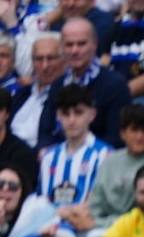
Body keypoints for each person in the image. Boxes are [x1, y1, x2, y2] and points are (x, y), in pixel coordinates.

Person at [35, 18, 132, 149]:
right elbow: (45, 131)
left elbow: (116, 138)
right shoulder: (57, 84)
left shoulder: (115, 85)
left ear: (94, 45)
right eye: (69, 45)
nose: (75, 50)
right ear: (62, 48)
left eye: (81, 44)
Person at [71, 105, 144, 235]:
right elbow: (95, 206)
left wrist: (98, 224)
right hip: (105, 227)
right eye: (134, 130)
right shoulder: (110, 162)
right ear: (122, 133)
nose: (139, 136)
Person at [39, 84, 108, 213]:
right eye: (66, 114)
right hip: (48, 226)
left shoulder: (105, 154)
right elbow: (41, 200)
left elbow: (99, 203)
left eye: (78, 113)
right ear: (58, 116)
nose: (71, 120)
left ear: (92, 114)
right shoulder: (48, 156)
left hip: (87, 228)